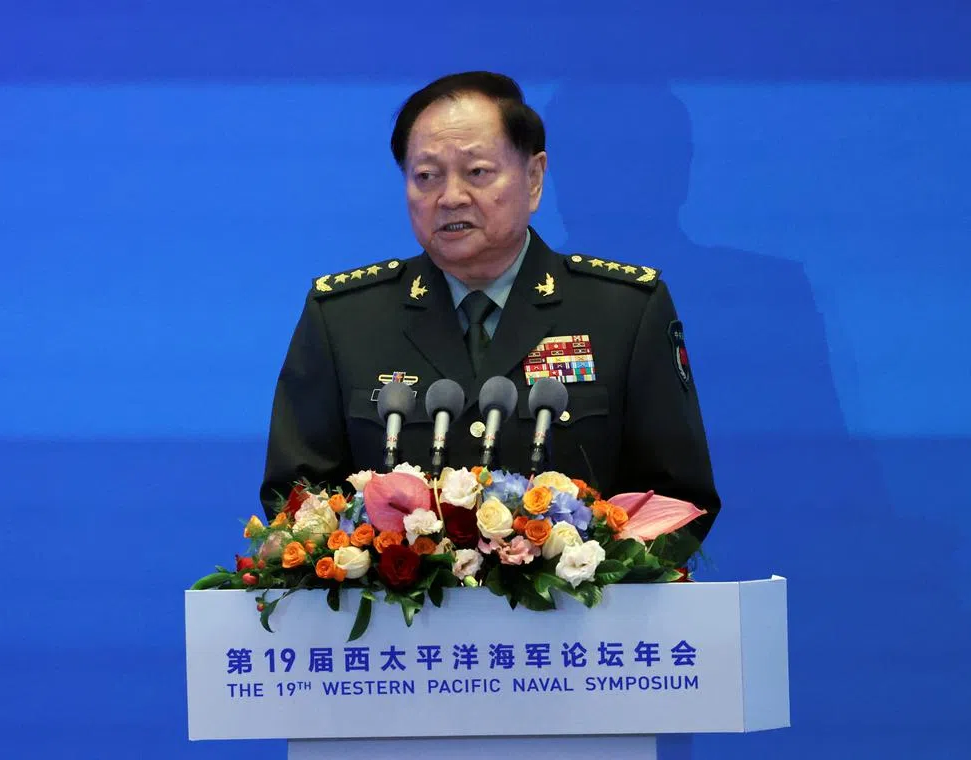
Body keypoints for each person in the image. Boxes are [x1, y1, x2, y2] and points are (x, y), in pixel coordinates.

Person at [260, 71, 721, 541]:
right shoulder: (344, 318)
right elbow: (295, 501)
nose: (451, 197)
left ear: (535, 177)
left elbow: (677, 504)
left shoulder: (624, 311)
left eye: (477, 172)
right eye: (426, 176)